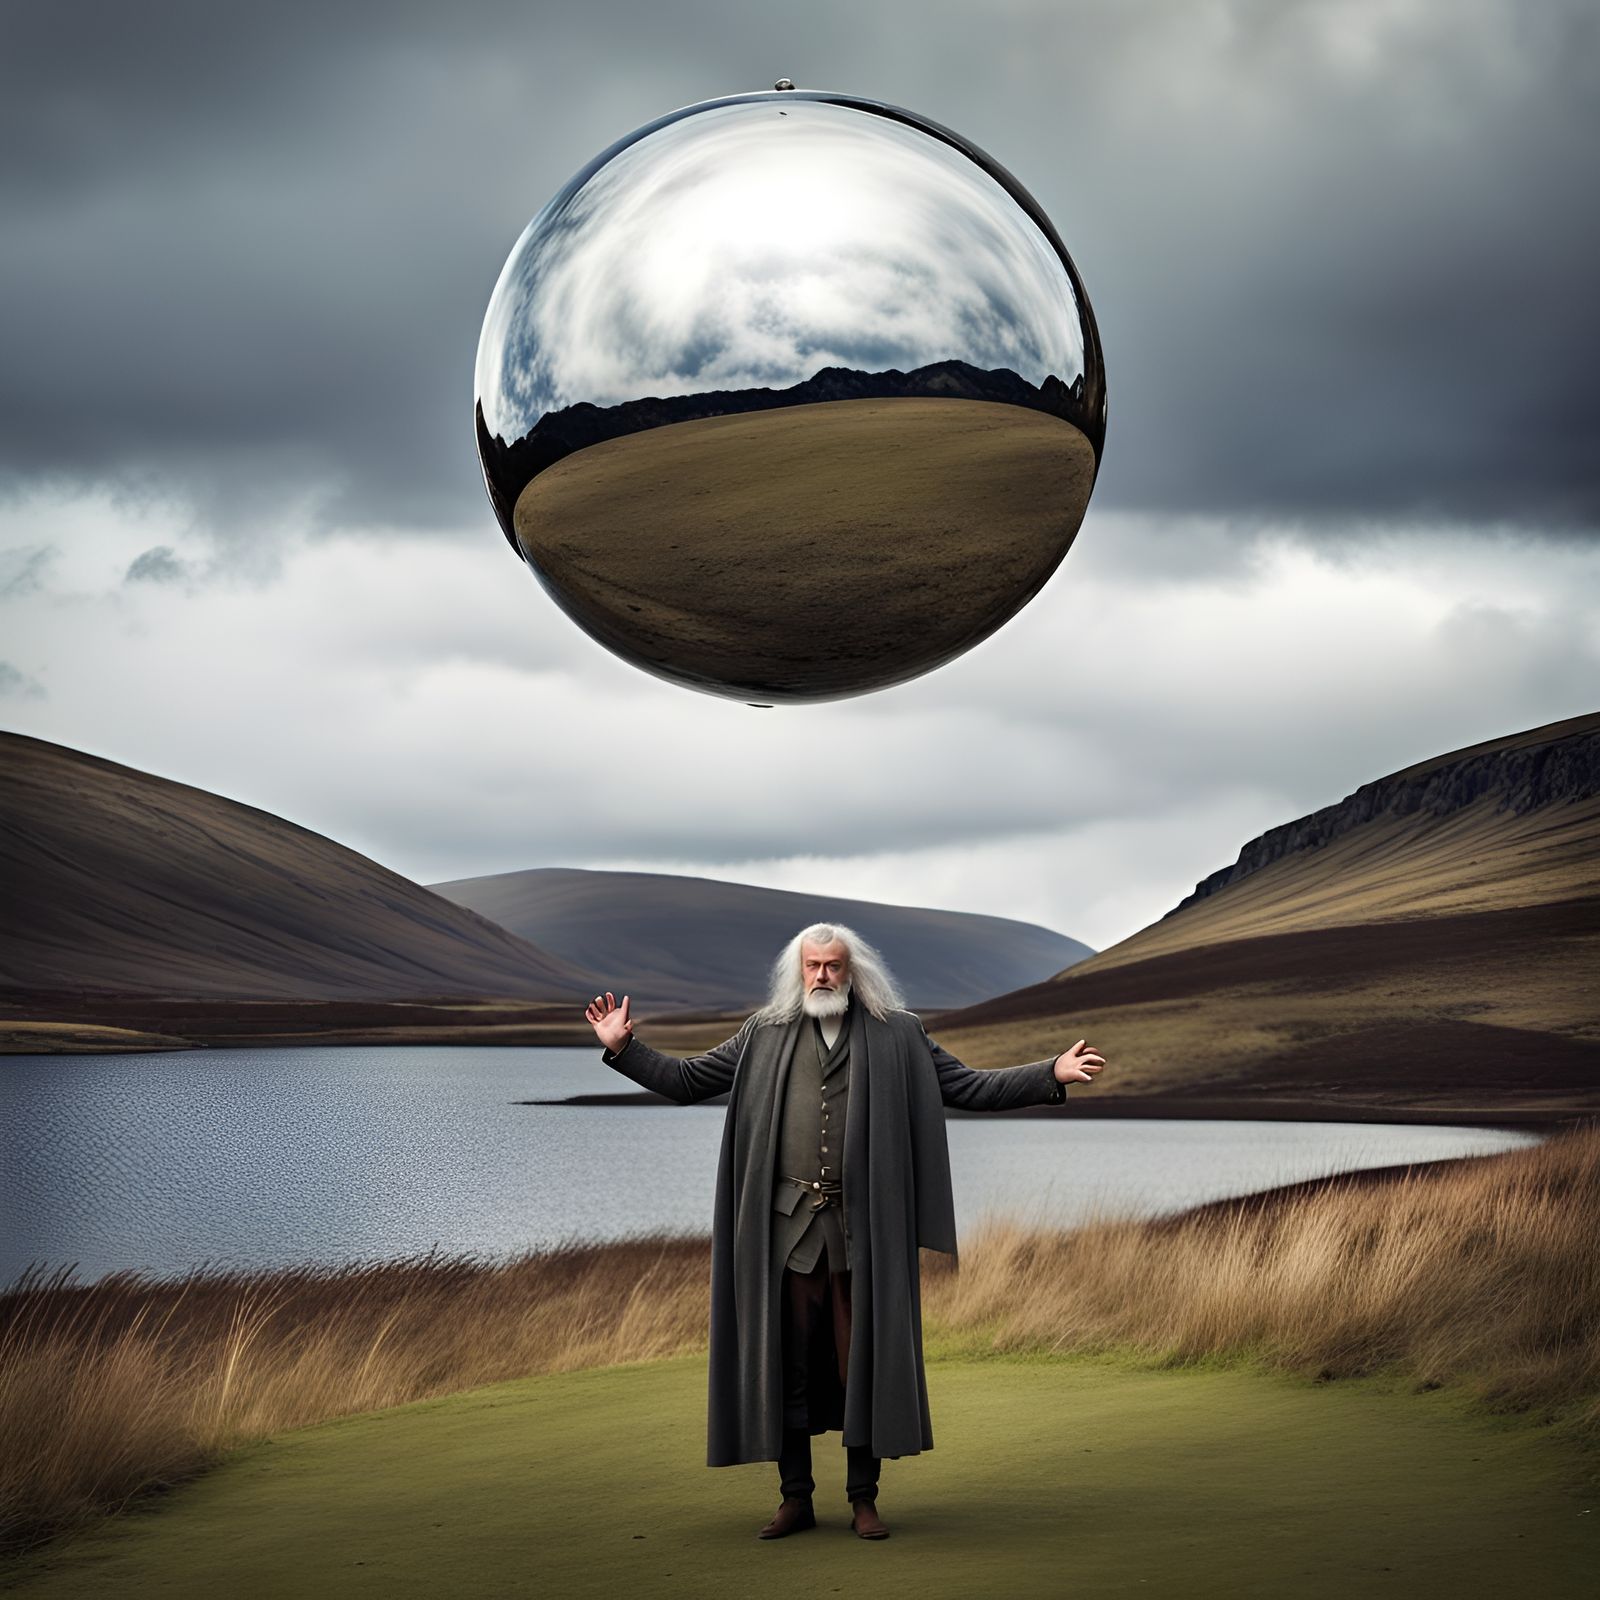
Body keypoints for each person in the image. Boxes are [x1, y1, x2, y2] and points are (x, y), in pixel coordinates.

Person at [584, 921, 1106, 1541]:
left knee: (864, 1366)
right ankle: (795, 1499)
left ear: (852, 971)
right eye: (813, 966)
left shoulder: (898, 1034)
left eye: (833, 965)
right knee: (790, 1369)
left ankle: (864, 1498)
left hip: (864, 1236)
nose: (823, 975)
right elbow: (689, 1081)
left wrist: (1050, 1073)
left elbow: (968, 1086)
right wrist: (623, 1049)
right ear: (797, 970)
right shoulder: (764, 1035)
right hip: (785, 1239)